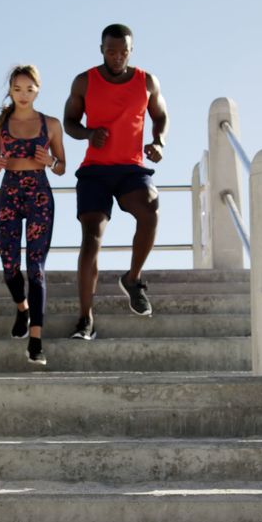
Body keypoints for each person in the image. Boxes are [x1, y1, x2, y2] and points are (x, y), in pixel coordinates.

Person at [63, 24, 169, 340]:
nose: (118, 57)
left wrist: (158, 141)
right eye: (111, 51)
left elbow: (160, 115)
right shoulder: (85, 81)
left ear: (131, 50)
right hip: (95, 169)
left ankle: (133, 279)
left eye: (124, 52)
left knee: (150, 208)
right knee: (92, 235)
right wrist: (87, 134)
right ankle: (85, 319)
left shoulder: (146, 81)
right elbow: (69, 121)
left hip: (131, 168)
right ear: (101, 50)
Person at [0, 65, 66, 364]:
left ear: (38, 90)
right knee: (9, 267)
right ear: (10, 89)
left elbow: (61, 166)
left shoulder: (51, 124)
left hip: (39, 195)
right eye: (18, 89)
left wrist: (51, 161)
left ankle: (35, 341)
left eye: (29, 89)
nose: (23, 94)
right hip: (9, 193)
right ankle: (22, 309)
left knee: (36, 268)